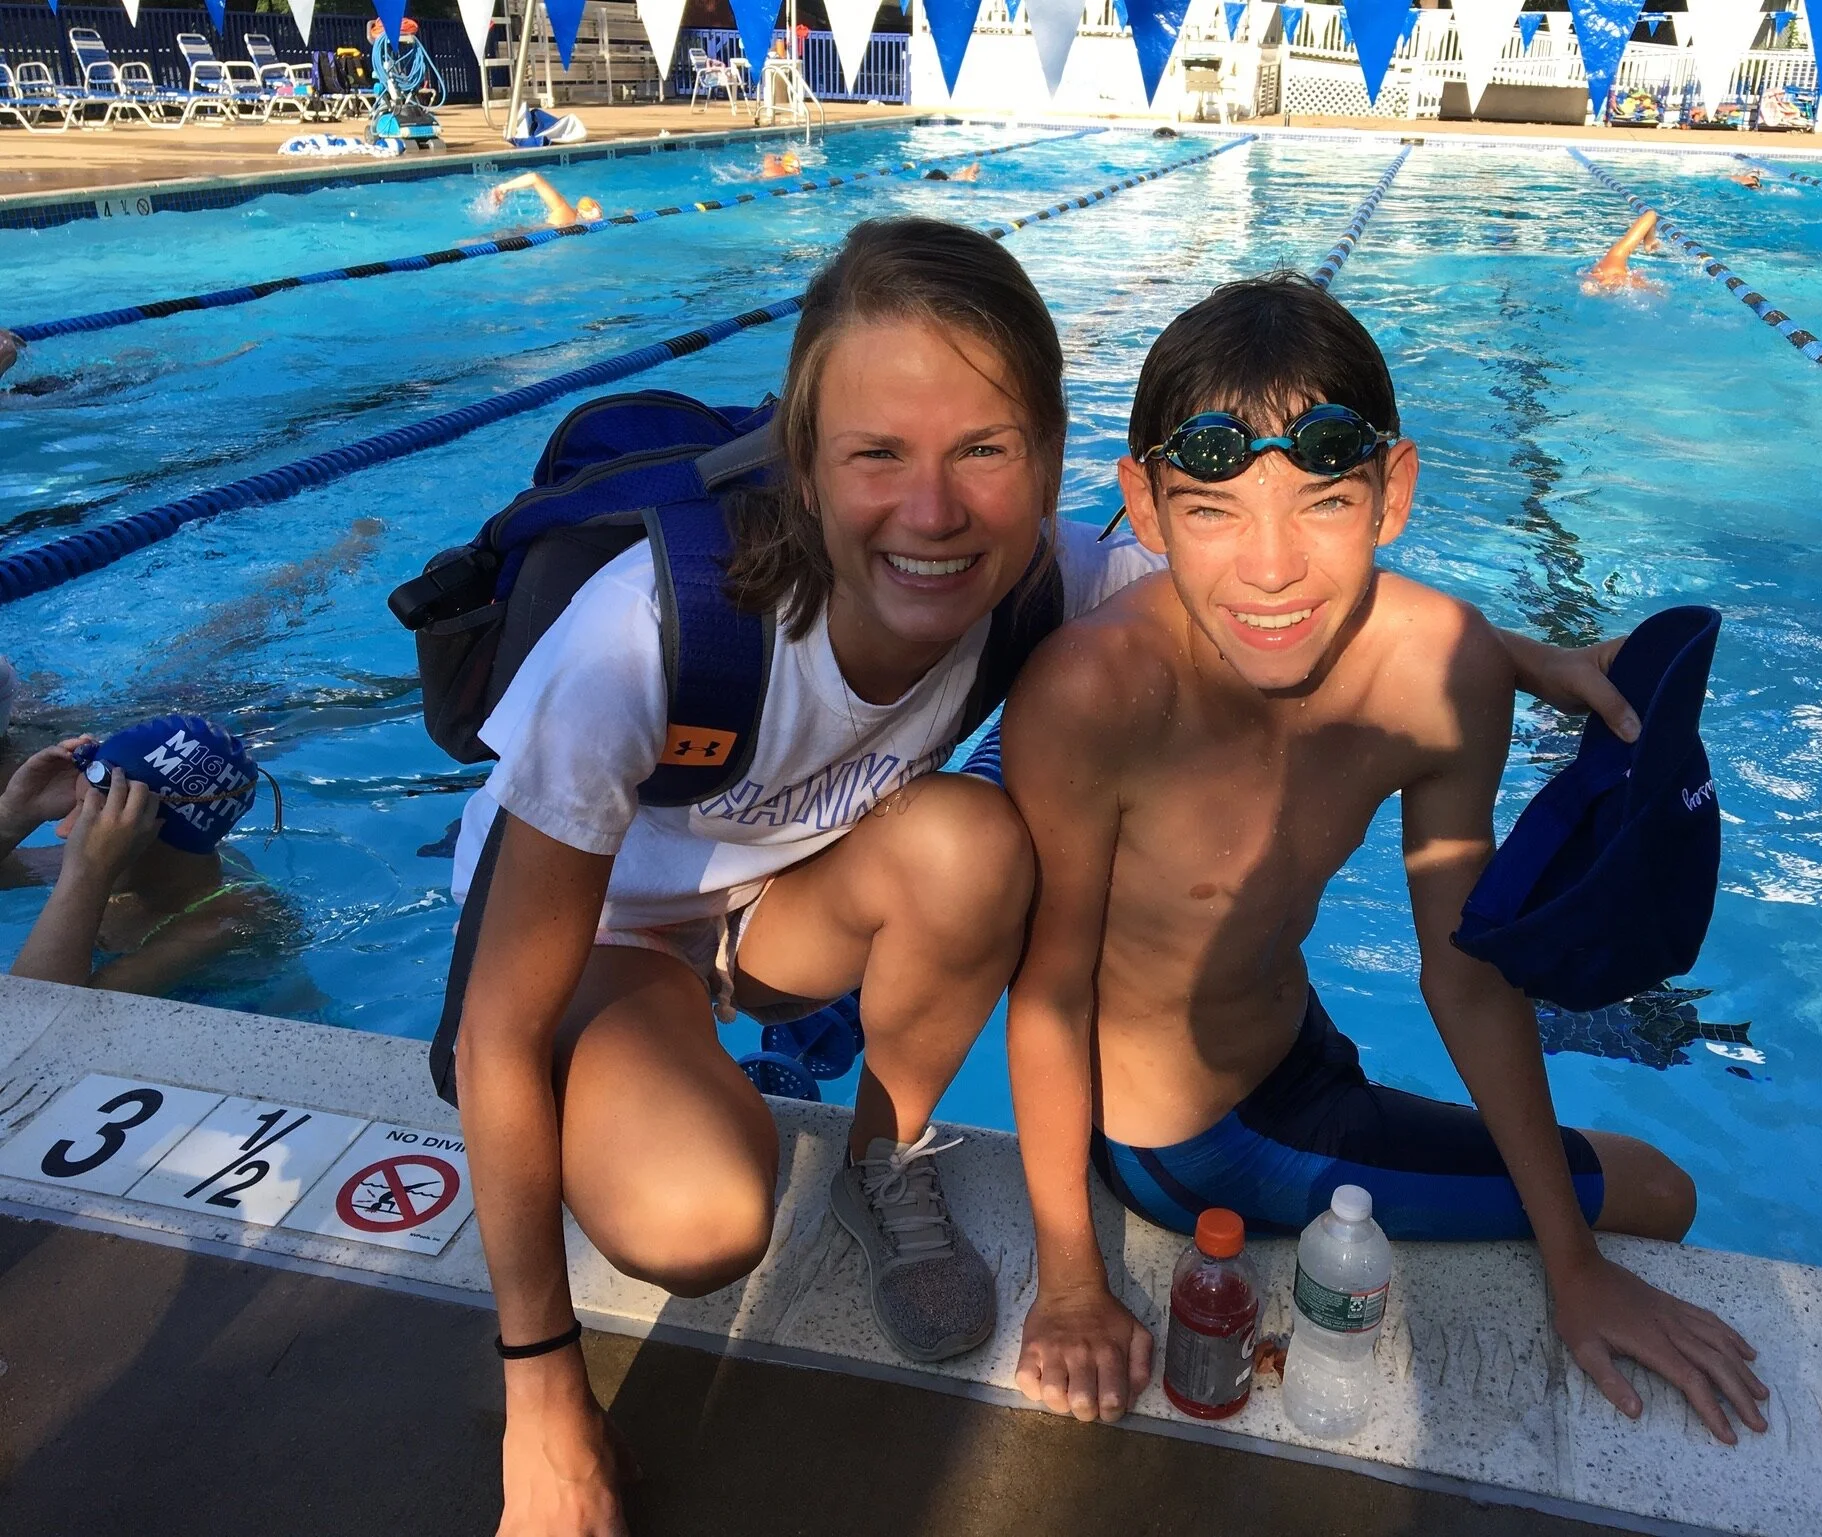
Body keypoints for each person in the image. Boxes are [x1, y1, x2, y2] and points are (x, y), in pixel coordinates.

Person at [440, 217, 1640, 1535]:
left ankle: (883, 1159)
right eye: (876, 456)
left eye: (983, 453)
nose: (934, 512)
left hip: (784, 922)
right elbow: (497, 1025)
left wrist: (1519, 653)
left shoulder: (1037, 572)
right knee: (699, 1221)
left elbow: (1279, 584)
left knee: (969, 841)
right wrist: (543, 1397)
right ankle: (637, 1077)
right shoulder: (641, 637)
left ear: (1051, 462)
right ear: (803, 463)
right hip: (605, 941)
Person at [1000, 274, 1770, 1445]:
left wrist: (1574, 1269)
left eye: (1323, 501)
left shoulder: (1447, 668)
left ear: (1390, 496)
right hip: (1192, 1139)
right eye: (1213, 512)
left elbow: (1462, 972)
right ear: (1147, 515)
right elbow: (1049, 992)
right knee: (1658, 1190)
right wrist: (1068, 1283)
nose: (1270, 570)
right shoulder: (1095, 696)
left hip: (1303, 1046)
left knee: (1625, 1195)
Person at [1, 715, 282, 996]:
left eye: (90, 814)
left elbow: (36, 1012)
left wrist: (90, 871)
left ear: (146, 828)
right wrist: (12, 817)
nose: (63, 830)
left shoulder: (229, 920)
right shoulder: (135, 865)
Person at [1583, 209, 1662, 294]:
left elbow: (1650, 215)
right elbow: (1651, 214)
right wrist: (1649, 240)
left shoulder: (1613, 261)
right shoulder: (1615, 261)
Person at [487, 171, 602, 230]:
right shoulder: (565, 210)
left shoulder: (575, 225)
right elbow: (534, 178)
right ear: (581, 212)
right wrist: (503, 188)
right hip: (518, 235)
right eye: (591, 213)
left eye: (599, 215)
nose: (597, 218)